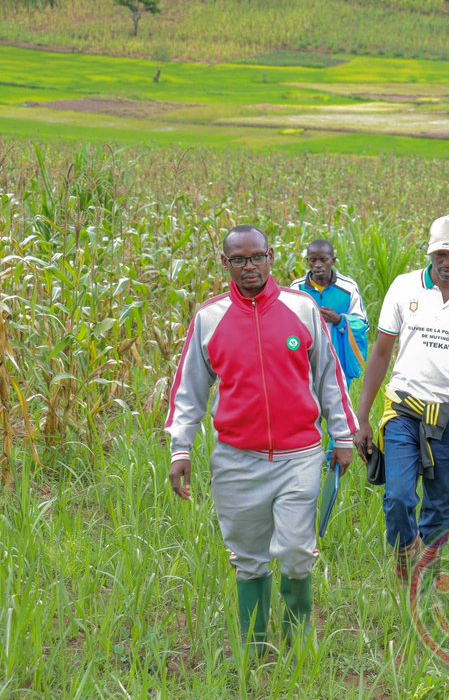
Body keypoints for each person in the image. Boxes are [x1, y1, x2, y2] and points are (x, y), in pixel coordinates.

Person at [164, 225, 357, 652]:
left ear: (271, 256)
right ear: (225, 263)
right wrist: (181, 448)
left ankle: (298, 638)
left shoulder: (301, 308)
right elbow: (189, 390)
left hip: (299, 455)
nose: (249, 267)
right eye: (239, 260)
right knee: (248, 560)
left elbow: (330, 378)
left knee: (294, 551)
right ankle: (253, 644)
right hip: (236, 459)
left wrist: (343, 435)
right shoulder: (209, 319)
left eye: (256, 258)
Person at [351, 216, 449, 580]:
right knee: (399, 499)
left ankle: (428, 572)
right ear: (430, 252)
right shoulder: (405, 288)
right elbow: (380, 354)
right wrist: (361, 417)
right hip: (404, 411)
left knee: (439, 503)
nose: (448, 262)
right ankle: (407, 559)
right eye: (440, 253)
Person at [290, 239, 370, 383]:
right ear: (307, 261)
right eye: (313, 260)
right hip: (307, 357)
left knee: (338, 401)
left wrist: (339, 320)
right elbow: (288, 326)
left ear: (333, 261)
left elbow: (362, 324)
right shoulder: (297, 289)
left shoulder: (348, 287)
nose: (318, 265)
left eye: (323, 260)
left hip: (338, 357)